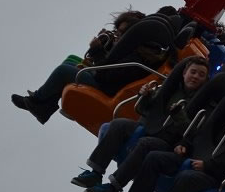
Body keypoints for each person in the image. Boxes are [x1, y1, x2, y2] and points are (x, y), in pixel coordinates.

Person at [70, 56, 210, 192]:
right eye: (193, 72)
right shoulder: (170, 88)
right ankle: (95, 172)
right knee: (118, 124)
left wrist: (179, 115)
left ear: (205, 80)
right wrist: (145, 96)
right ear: (184, 73)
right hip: (149, 126)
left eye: (201, 75)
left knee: (146, 143)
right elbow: (144, 109)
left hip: (168, 141)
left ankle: (113, 189)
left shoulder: (203, 104)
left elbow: (192, 132)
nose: (195, 77)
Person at [11, 9, 146, 123]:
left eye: (121, 32)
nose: (117, 35)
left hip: (107, 88)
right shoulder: (128, 49)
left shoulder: (135, 55)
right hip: (106, 80)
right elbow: (109, 67)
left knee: (63, 71)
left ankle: (37, 101)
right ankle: (45, 105)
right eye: (117, 31)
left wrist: (97, 51)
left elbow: (106, 75)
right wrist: (107, 47)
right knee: (72, 60)